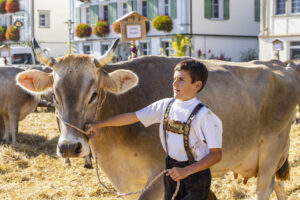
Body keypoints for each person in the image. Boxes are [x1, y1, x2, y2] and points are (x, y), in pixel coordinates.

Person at [86, 59, 223, 200]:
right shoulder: (165, 106)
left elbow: (216, 155)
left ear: (197, 85)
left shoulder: (206, 117)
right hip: (171, 171)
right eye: (174, 79)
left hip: (195, 175)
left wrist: (186, 171)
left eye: (181, 80)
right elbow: (132, 117)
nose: (174, 84)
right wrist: (99, 125)